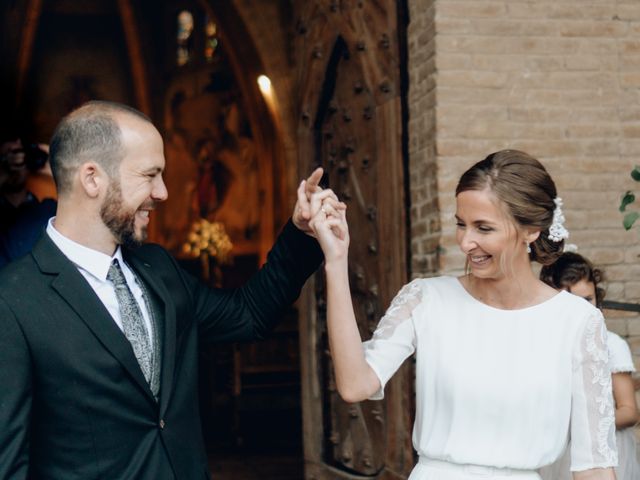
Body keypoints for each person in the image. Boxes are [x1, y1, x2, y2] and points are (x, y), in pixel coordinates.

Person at [0, 100, 343, 479]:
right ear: (92, 178)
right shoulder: (12, 301)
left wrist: (301, 233)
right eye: (150, 175)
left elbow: (249, 315)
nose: (163, 192)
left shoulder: (158, 268)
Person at [309, 149, 618, 480]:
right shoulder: (427, 299)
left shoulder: (577, 322)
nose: (466, 242)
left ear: (531, 230)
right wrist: (336, 260)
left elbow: (595, 466)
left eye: (483, 228)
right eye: (461, 224)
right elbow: (355, 385)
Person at [538, 252, 640, 480]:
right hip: (555, 451)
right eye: (570, 301)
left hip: (599, 451)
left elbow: (629, 411)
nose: (581, 309)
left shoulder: (611, 345)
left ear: (598, 298)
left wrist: (584, 421)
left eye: (588, 300)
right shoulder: (543, 347)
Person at [0, 135, 56, 268]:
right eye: (8, 157)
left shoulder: (47, 211)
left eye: (20, 156)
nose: (15, 165)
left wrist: (56, 166)